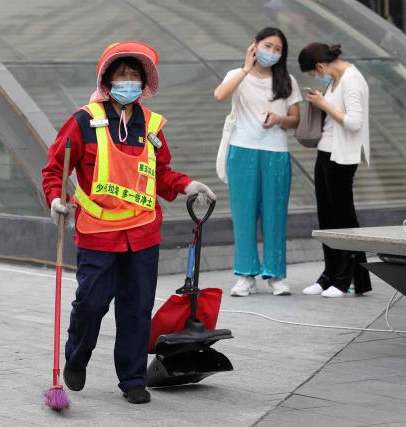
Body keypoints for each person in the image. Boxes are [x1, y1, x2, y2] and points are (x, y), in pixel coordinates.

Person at [41, 41, 216, 404]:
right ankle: (77, 357)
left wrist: (187, 185)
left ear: (143, 83)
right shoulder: (83, 121)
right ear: (108, 81)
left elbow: (160, 173)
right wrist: (56, 198)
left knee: (136, 309)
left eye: (134, 75)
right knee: (91, 303)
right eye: (121, 75)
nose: (128, 81)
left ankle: (133, 379)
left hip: (142, 231)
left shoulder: (151, 125)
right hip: (97, 232)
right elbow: (55, 168)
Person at [213, 27, 301, 297]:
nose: (272, 52)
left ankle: (276, 276)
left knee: (275, 214)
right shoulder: (237, 75)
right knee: (243, 215)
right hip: (242, 151)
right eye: (267, 46)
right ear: (254, 45)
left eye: (278, 49)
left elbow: (295, 119)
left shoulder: (287, 81)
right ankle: (245, 275)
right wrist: (246, 67)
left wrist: (279, 119)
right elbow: (219, 95)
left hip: (276, 153)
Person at [298, 43, 372, 297]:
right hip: (326, 151)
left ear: (320, 66)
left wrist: (324, 104)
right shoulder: (335, 80)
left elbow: (354, 122)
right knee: (327, 217)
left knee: (344, 218)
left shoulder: (352, 79)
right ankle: (331, 274)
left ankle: (345, 278)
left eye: (313, 73)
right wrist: (322, 100)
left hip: (342, 155)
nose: (316, 76)